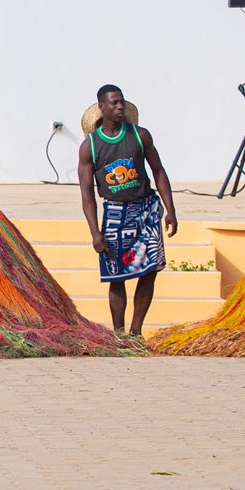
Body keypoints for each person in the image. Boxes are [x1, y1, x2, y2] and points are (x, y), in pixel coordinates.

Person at [77, 84, 178, 337]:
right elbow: (87, 193)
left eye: (121, 101)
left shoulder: (140, 135)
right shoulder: (89, 146)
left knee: (150, 270)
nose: (119, 106)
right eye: (114, 102)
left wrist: (170, 209)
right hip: (115, 214)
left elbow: (158, 171)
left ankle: (136, 332)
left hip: (145, 210)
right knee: (116, 276)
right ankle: (119, 334)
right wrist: (94, 232)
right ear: (102, 107)